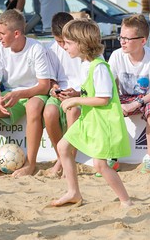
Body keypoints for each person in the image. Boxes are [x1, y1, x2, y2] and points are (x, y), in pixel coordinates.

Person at [48, 19, 133, 209]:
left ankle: (126, 201)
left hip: (101, 121)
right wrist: (75, 93)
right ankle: (73, 192)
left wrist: (75, 100)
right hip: (89, 118)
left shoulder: (99, 66)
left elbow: (103, 98)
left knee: (101, 165)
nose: (65, 47)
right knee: (63, 147)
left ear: (82, 43)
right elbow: (92, 92)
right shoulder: (85, 63)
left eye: (68, 43)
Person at [0, 9, 53, 177]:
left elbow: (44, 86)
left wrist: (19, 94)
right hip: (10, 94)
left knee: (33, 106)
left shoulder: (36, 48)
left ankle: (30, 164)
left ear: (16, 33)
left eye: (2, 33)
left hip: (33, 93)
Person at [109, 13, 150, 174]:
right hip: (128, 96)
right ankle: (112, 157)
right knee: (109, 108)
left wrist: (134, 104)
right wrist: (117, 103)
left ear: (143, 41)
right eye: (120, 37)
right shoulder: (116, 55)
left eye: (127, 38)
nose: (122, 41)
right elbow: (110, 85)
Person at [43, 12, 84, 178]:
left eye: (65, 41)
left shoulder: (83, 47)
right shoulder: (51, 50)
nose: (62, 45)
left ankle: (67, 161)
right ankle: (62, 157)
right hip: (62, 93)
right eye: (58, 41)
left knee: (73, 111)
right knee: (49, 112)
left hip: (81, 93)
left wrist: (77, 93)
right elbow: (51, 80)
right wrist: (54, 89)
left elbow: (92, 81)